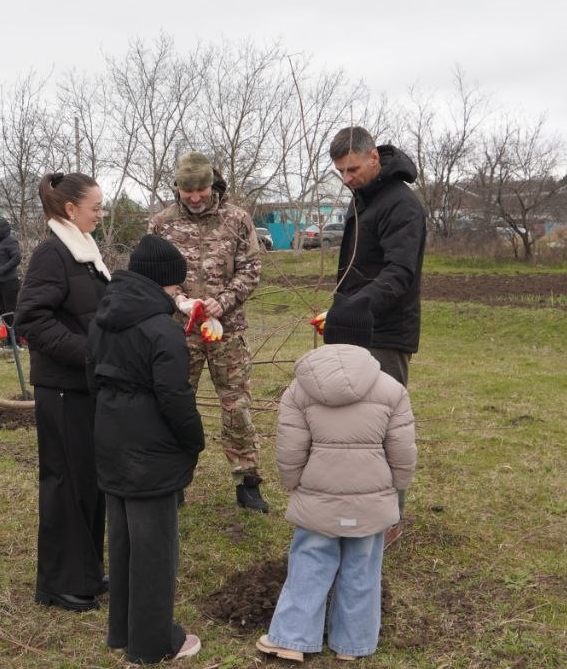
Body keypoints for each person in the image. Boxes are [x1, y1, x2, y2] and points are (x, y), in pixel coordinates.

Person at [256, 293, 416, 663]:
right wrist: (397, 486)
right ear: (367, 338)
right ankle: (353, 645)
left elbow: (290, 447)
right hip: (371, 500)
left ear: (328, 335)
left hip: (318, 497)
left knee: (309, 563)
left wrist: (293, 482)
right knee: (363, 569)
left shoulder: (299, 388)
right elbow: (403, 451)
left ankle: (291, 638)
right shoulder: (392, 389)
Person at [88, 234, 205, 663]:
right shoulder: (163, 331)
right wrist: (194, 440)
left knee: (122, 543)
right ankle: (154, 643)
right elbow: (175, 397)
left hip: (110, 439)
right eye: (175, 284)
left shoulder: (101, 318)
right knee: (155, 550)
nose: (178, 292)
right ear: (162, 282)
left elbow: (92, 378)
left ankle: (124, 630)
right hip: (151, 451)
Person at [14, 171, 111, 612]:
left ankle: (86, 572)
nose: (101, 214)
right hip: (61, 389)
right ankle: (58, 582)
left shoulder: (84, 251)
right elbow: (31, 319)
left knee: (88, 481)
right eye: (96, 207)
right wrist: (89, 352)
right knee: (66, 483)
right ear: (71, 209)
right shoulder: (52, 253)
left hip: (84, 386)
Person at [148, 152, 267, 512]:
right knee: (173, 404)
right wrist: (179, 300)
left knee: (236, 405)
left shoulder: (237, 219)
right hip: (178, 333)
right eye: (188, 191)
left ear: (212, 184)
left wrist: (223, 301)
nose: (195, 197)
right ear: (178, 188)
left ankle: (247, 481)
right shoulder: (162, 224)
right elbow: (151, 273)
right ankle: (172, 480)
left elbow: (251, 268)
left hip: (226, 332)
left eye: (201, 189)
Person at [328, 126, 425, 545]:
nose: (346, 178)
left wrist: (356, 306)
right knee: (356, 425)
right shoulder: (365, 198)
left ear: (374, 158)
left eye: (352, 169)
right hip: (357, 327)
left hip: (385, 333)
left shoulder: (401, 205)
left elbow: (399, 273)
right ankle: (360, 507)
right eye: (340, 172)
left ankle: (389, 520)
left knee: (386, 426)